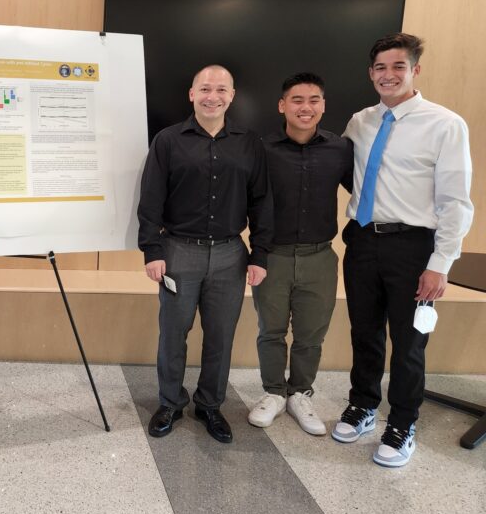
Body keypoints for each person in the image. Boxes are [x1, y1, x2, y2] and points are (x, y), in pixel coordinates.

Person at [332, 33, 473, 467]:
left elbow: (456, 201)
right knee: (365, 331)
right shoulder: (360, 120)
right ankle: (364, 405)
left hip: (413, 247)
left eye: (398, 67)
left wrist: (440, 264)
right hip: (362, 239)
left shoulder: (445, 124)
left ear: (415, 70)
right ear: (371, 73)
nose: (388, 75)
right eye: (380, 68)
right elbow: (347, 171)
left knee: (409, 342)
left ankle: (403, 422)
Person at [138, 64, 273, 443]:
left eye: (221, 90)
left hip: (232, 255)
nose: (213, 96)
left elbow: (262, 202)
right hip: (179, 252)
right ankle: (170, 402)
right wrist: (152, 249)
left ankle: (210, 405)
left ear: (232, 96)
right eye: (205, 89)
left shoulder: (249, 143)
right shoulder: (167, 141)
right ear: (191, 94)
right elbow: (151, 200)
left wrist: (259, 254)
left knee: (220, 337)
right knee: (172, 334)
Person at [247, 73, 353, 435]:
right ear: (282, 106)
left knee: (311, 334)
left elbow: (367, 192)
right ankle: (274, 392)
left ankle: (300, 394)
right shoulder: (261, 149)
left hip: (320, 256)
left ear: (323, 105)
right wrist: (254, 254)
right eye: (296, 100)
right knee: (270, 330)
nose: (305, 107)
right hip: (272, 255)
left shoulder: (341, 149)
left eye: (313, 100)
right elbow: (249, 201)